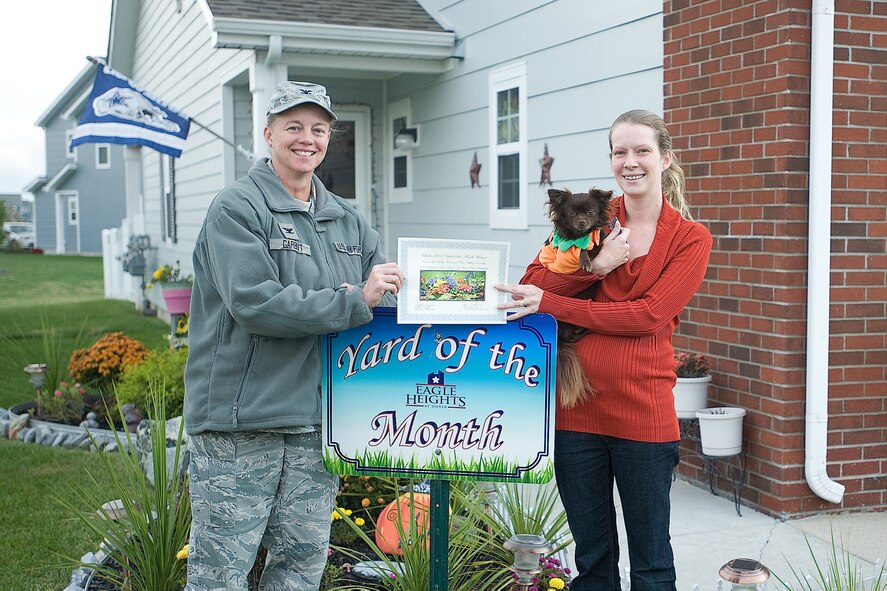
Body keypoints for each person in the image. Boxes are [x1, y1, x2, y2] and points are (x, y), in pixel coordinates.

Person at [183, 81, 403, 590]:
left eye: (319, 129)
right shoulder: (237, 209)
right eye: (294, 127)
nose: (308, 138)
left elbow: (387, 291)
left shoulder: (346, 219)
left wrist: (464, 299)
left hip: (315, 419)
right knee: (221, 571)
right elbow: (255, 303)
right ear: (269, 134)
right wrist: (355, 299)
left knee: (301, 566)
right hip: (243, 421)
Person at [496, 109, 712, 590]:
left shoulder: (690, 239)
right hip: (575, 412)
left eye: (642, 151)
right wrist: (594, 268)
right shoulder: (589, 214)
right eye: (620, 152)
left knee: (651, 560)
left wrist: (558, 302)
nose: (630, 162)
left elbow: (648, 316)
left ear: (665, 159)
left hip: (643, 414)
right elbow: (531, 283)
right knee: (592, 560)